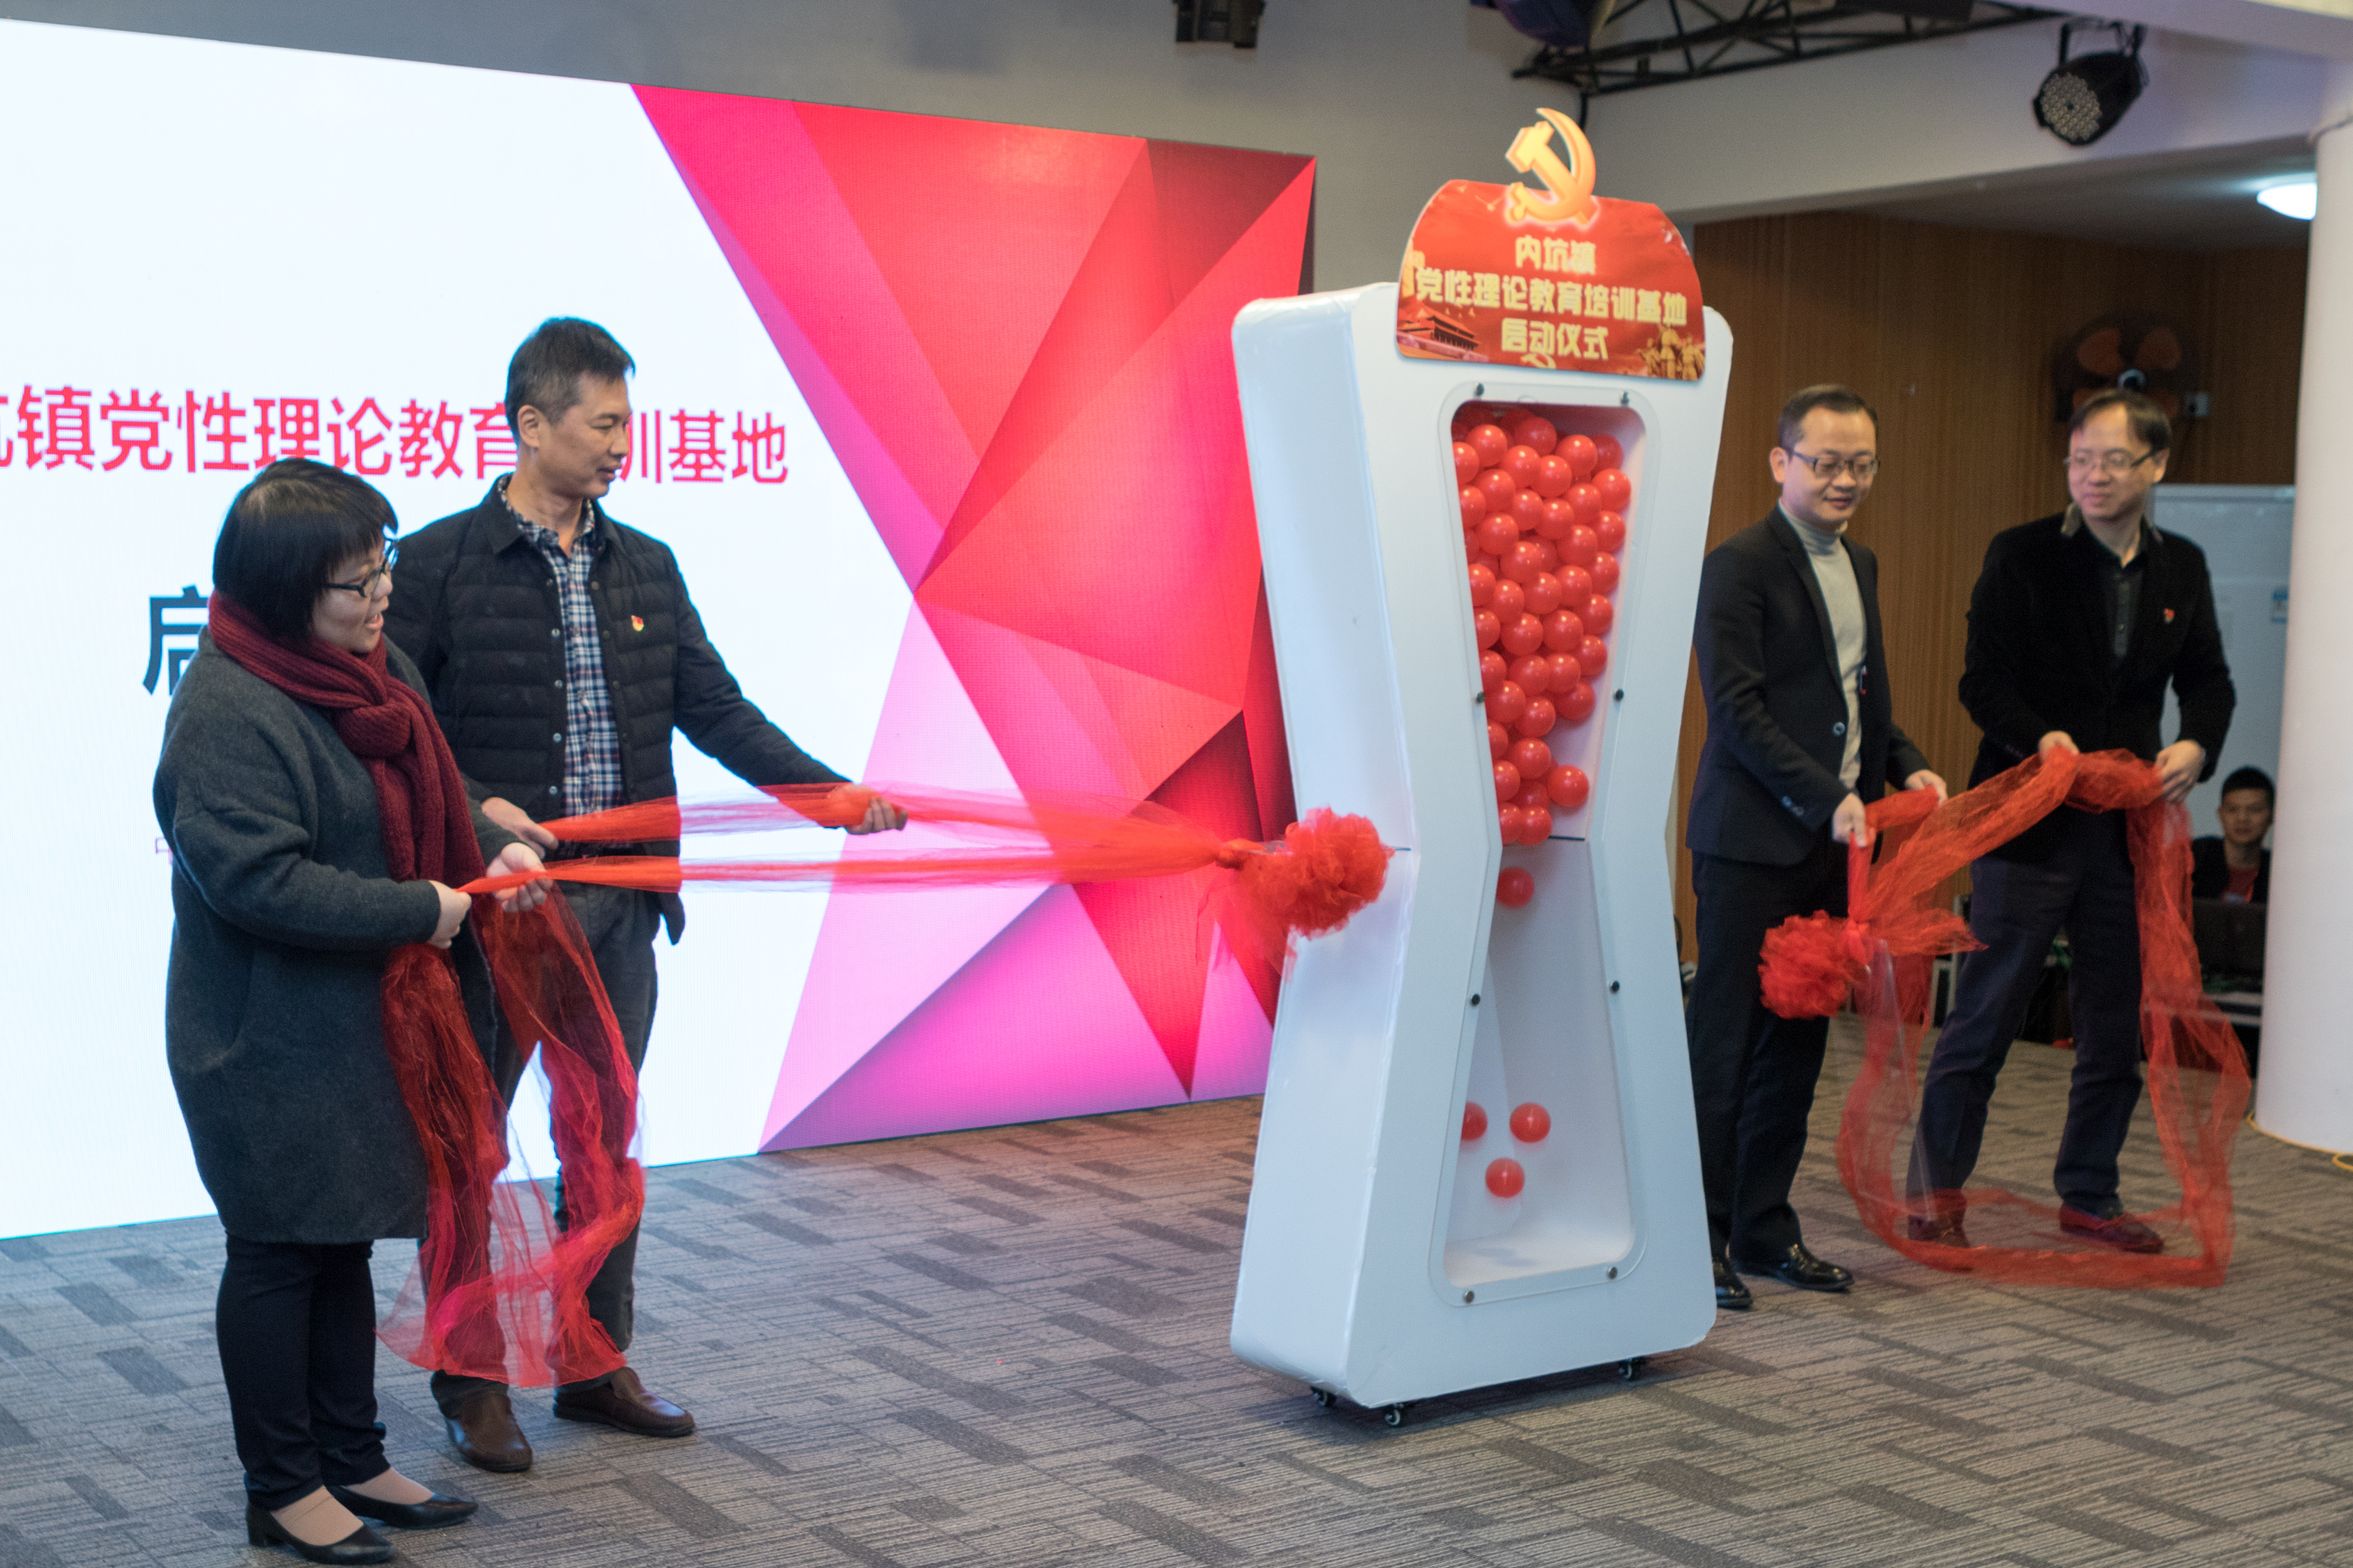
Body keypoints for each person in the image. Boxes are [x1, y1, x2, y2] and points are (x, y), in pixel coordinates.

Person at [384, 317, 904, 1473]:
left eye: (628, 421)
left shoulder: (646, 566)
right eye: (605, 422)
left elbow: (714, 710)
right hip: (496, 916)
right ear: (533, 424)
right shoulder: (438, 564)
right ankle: (471, 1379)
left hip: (618, 913)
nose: (624, 443)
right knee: (469, 1151)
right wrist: (480, 814)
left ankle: (593, 1360)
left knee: (604, 1147)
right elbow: (397, 735)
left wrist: (826, 795)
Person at [157, 460, 548, 1563]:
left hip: (366, 1024)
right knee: (281, 1252)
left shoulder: (373, 668)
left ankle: (353, 1454)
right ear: (286, 594)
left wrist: (489, 844)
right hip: (267, 1038)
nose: (381, 597)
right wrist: (421, 907)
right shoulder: (226, 709)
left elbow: (434, 788)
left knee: (340, 1248)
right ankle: (283, 1487)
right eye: (354, 584)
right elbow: (260, 881)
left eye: (383, 569)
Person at [1910, 389, 2233, 1254]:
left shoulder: (2181, 565)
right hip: (2031, 817)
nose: (2092, 475)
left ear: (2156, 465)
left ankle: (2090, 1192)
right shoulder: (2021, 554)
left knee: (2113, 1023)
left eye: (2113, 460)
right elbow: (1982, 679)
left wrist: (2198, 742)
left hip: (2127, 828)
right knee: (1987, 1011)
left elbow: (2209, 678)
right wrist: (2038, 738)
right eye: (2080, 459)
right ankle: (1934, 1192)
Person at [1685, 385, 1947, 1311]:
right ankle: (1697, 1239)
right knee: (1726, 1045)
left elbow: (1857, 694)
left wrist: (1904, 762)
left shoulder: (1859, 560)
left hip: (1834, 846)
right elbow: (1738, 710)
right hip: (1751, 843)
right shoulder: (1738, 566)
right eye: (1827, 462)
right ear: (1781, 461)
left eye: (1861, 464)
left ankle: (1764, 1227)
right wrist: (1827, 794)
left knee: (1797, 1040)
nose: (1845, 480)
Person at [2191, 765, 2273, 904]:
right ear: (2221, 814)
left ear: (2272, 816)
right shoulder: (2193, 859)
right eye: (2233, 810)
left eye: (2255, 810)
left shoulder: (2279, 873)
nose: (2243, 818)